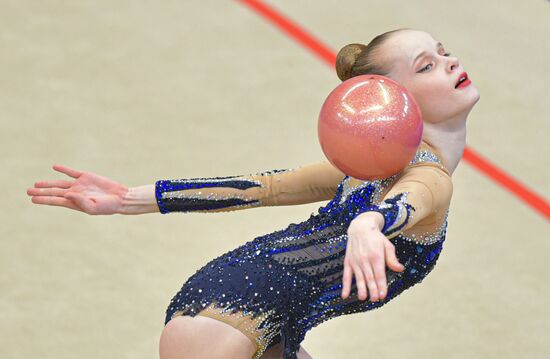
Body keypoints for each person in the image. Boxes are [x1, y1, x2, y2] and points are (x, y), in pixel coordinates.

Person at [26, 28, 480, 359]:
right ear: (389, 98)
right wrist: (369, 222)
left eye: (443, 54)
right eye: (427, 65)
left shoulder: (375, 169)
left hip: (270, 326)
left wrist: (130, 199)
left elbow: (268, 189)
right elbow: (274, 188)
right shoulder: (423, 175)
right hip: (224, 322)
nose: (451, 62)